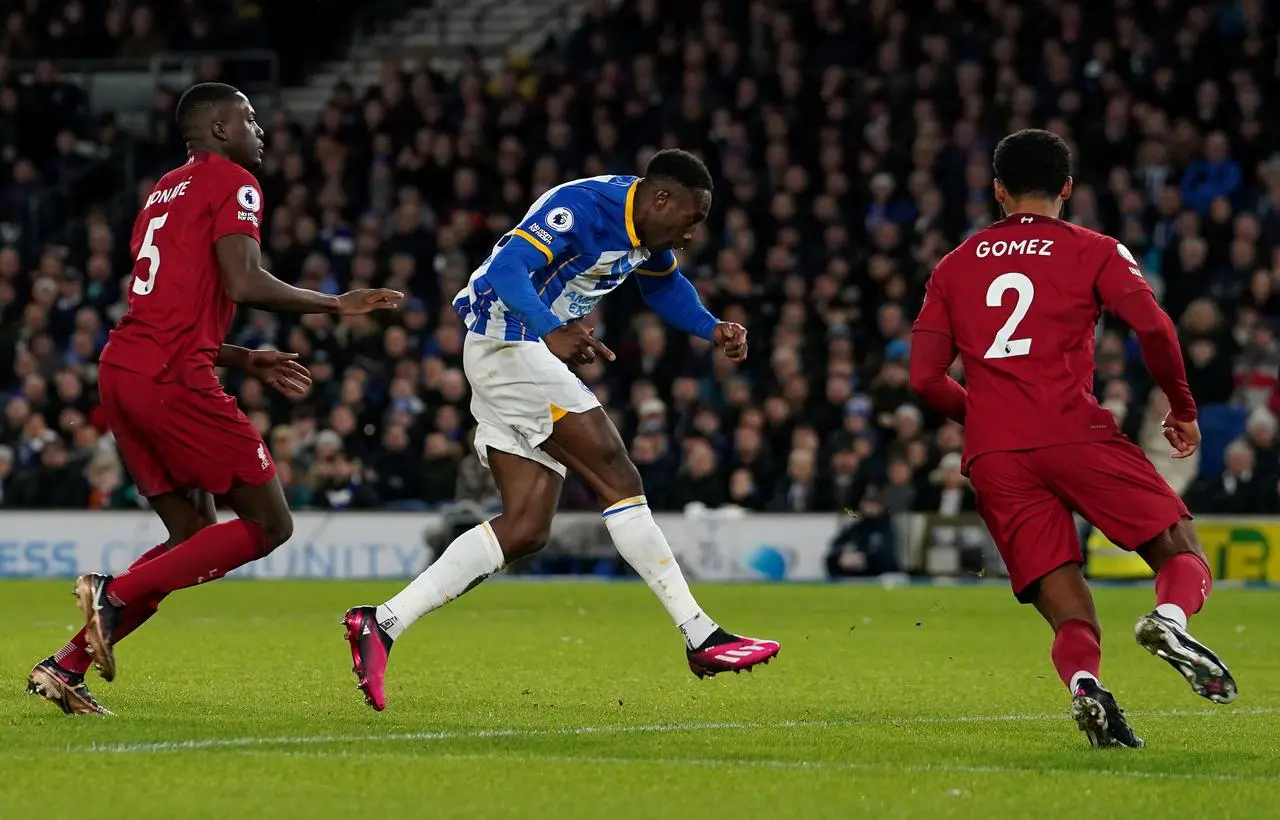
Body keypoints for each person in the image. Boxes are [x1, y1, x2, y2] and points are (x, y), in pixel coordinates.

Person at [343, 150, 780, 711]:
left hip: (516, 352)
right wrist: (551, 329)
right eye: (690, 219)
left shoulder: (648, 234)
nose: (693, 234)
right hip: (512, 344)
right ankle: (701, 636)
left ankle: (380, 623)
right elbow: (506, 269)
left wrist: (711, 326)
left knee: (525, 527)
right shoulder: (582, 207)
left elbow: (662, 289)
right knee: (618, 475)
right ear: (660, 198)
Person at [27, 83, 402, 716]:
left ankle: (66, 666)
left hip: (126, 369)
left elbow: (168, 304)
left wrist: (242, 357)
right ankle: (110, 594)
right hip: (172, 377)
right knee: (269, 523)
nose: (260, 130)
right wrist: (334, 303)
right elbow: (244, 280)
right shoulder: (231, 180)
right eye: (250, 117)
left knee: (192, 534)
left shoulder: (160, 194)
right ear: (220, 129)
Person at [909, 129, 1237, 749]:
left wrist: (985, 419)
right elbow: (1156, 328)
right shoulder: (1095, 249)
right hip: (1073, 431)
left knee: (1066, 604)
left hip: (996, 456)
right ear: (1067, 187)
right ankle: (1169, 620)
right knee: (1177, 542)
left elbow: (924, 379)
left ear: (998, 190)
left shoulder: (954, 265)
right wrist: (1182, 405)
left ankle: (1086, 685)